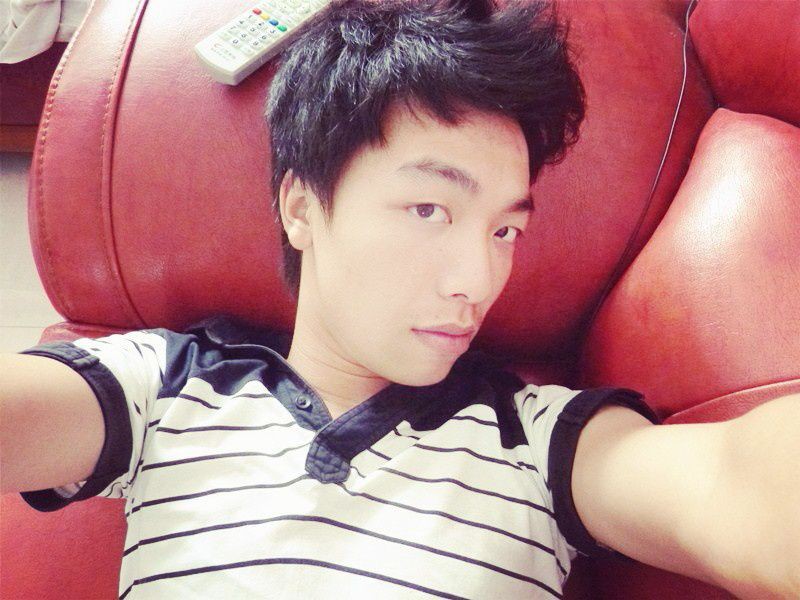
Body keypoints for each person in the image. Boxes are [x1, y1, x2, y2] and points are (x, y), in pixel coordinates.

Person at [1, 0, 798, 598]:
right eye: (429, 210)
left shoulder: (538, 439)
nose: (476, 280)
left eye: (505, 230)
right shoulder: (162, 386)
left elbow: (730, 487)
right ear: (301, 206)